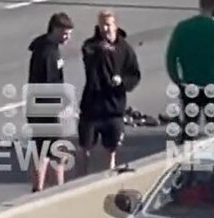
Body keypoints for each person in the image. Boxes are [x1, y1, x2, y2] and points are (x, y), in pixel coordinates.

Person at [165, 0, 214, 144]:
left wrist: (177, 79)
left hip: (190, 85)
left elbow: (171, 57)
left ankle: (185, 156)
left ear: (200, 4)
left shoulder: (183, 27)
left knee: (190, 126)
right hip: (213, 84)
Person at [78, 10, 141, 173]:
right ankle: (82, 177)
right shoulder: (91, 45)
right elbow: (88, 55)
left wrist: (122, 82)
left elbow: (134, 75)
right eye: (101, 25)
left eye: (108, 25)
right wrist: (102, 50)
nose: (105, 29)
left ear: (115, 26)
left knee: (112, 148)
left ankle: (110, 173)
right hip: (92, 106)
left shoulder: (125, 48)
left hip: (113, 106)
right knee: (86, 147)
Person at [26, 12, 74, 192]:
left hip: (38, 107)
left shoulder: (48, 47)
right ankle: (57, 190)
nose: (68, 37)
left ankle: (38, 188)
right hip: (45, 108)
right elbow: (48, 85)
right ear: (55, 29)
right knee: (55, 152)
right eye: (65, 33)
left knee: (44, 149)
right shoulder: (48, 53)